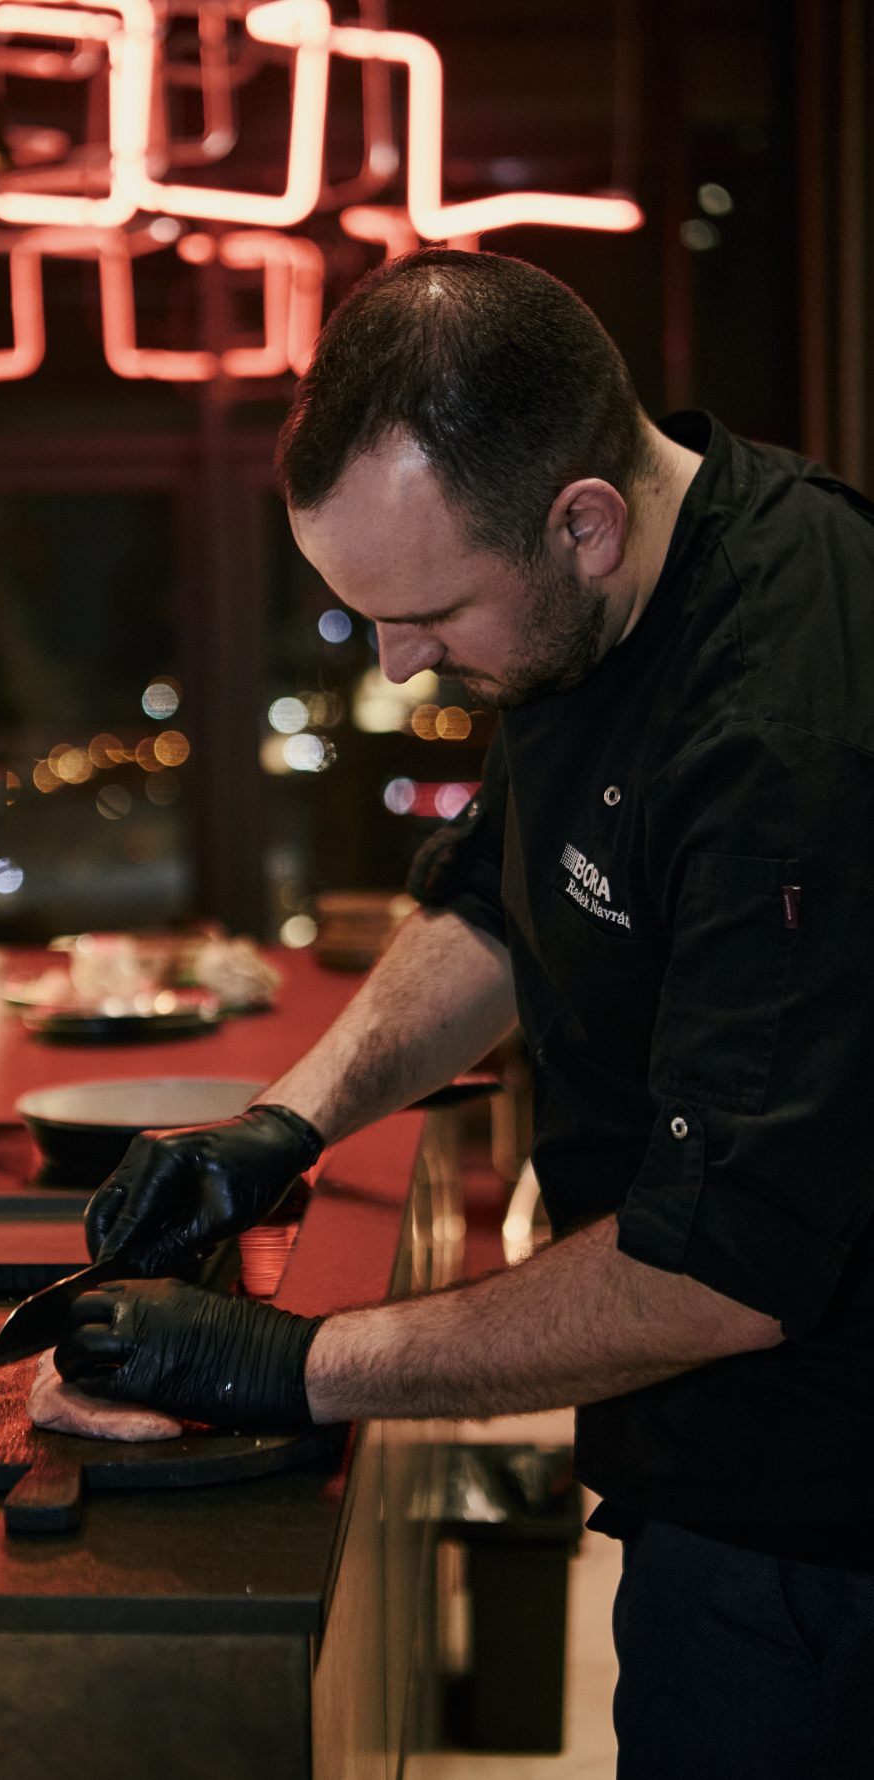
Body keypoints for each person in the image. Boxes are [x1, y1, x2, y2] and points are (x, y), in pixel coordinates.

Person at [54, 251, 874, 1776]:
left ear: (581, 520)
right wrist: (282, 1122)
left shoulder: (789, 739)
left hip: (821, 1525)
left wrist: (284, 1365)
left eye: (425, 611)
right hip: (713, 1457)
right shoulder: (591, 601)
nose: (395, 661)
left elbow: (722, 1274)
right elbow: (498, 902)